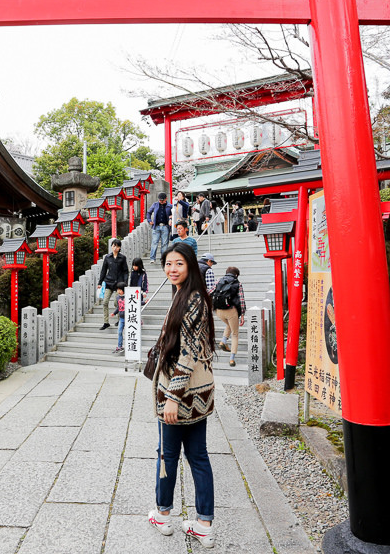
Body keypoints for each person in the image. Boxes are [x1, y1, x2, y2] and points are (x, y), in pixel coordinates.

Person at [147, 242, 216, 548]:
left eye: (179, 264)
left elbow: (188, 353)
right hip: (196, 394)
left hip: (180, 394)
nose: (172, 269)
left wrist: (173, 397)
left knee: (168, 455)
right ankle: (203, 524)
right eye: (168, 264)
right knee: (198, 456)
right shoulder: (186, 295)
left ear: (190, 267)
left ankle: (163, 515)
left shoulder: (193, 300)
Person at [212, 267, 247, 367]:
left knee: (230, 325)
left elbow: (210, 291)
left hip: (219, 311)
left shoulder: (219, 280)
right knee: (235, 333)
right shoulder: (238, 283)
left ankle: (223, 341)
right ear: (236, 275)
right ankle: (232, 359)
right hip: (231, 311)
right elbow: (241, 300)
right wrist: (243, 314)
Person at [98, 239, 128, 330]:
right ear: (111, 246)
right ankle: (106, 322)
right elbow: (104, 270)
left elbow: (126, 271)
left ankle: (120, 320)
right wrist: (100, 282)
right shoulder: (107, 257)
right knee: (105, 302)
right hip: (108, 282)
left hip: (119, 284)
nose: (115, 248)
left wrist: (125, 283)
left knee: (117, 303)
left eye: (117, 246)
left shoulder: (122, 258)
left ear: (119, 248)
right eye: (113, 246)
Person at [147, 192, 173, 264]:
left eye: (162, 200)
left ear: (166, 199)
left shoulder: (170, 206)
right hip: (156, 226)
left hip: (165, 226)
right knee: (154, 242)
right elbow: (148, 212)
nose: (161, 201)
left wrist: (171, 218)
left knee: (164, 244)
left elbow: (173, 214)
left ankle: (163, 258)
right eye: (160, 200)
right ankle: (152, 258)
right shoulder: (155, 205)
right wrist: (149, 220)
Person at [112, 283, 126, 353]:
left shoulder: (128, 296)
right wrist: (114, 313)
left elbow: (136, 302)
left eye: (119, 289)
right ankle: (120, 346)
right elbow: (118, 307)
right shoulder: (117, 297)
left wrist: (144, 302)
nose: (118, 291)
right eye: (117, 289)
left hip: (128, 318)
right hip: (121, 318)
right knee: (119, 332)